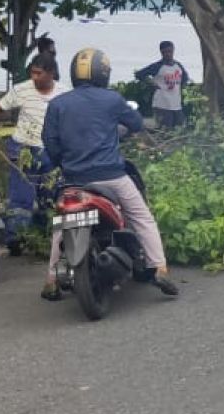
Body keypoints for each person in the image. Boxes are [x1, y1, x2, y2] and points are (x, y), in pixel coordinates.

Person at [42, 48, 178, 301]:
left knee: (61, 225)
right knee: (141, 217)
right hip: (112, 177)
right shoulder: (112, 100)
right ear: (103, 73)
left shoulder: (57, 104)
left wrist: (66, 164)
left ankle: (51, 280)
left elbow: (50, 142)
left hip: (74, 179)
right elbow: (136, 123)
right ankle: (159, 267)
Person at [0, 53, 67, 254]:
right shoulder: (22, 90)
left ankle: (42, 235)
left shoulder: (65, 94)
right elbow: (0, 106)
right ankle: (16, 238)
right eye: (32, 73)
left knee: (47, 195)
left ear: (51, 74)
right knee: (20, 196)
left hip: (49, 151)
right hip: (22, 147)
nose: (35, 77)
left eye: (39, 73)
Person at [134, 41, 191, 128]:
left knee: (180, 128)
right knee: (165, 130)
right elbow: (139, 74)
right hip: (162, 105)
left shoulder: (178, 66)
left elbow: (185, 78)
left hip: (176, 105)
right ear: (161, 52)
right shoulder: (157, 66)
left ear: (173, 51)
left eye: (170, 51)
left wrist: (180, 88)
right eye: (165, 52)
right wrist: (151, 83)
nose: (168, 54)